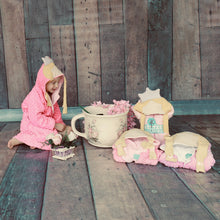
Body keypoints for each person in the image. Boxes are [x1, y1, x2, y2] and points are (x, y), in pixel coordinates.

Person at [7, 56, 72, 150]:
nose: (56, 86)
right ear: (44, 82)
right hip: (32, 124)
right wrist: (54, 125)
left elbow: (56, 113)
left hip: (45, 123)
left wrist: (61, 124)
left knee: (61, 132)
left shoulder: (51, 95)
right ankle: (20, 139)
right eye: (53, 83)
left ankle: (34, 142)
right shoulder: (35, 96)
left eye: (58, 82)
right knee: (49, 135)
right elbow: (35, 118)